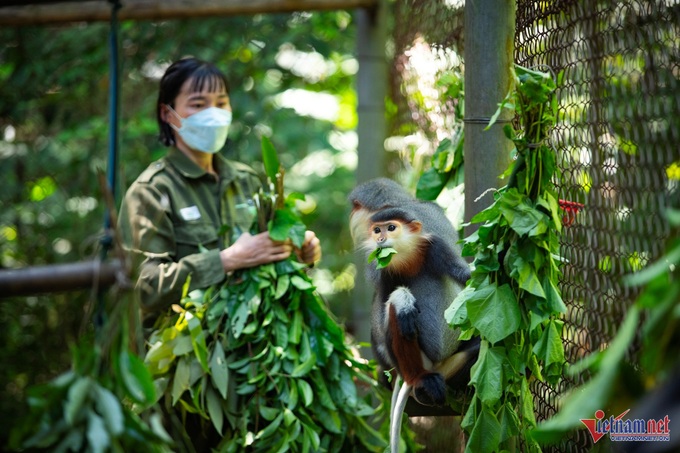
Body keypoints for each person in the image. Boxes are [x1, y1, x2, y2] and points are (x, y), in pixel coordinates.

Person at [118, 57, 321, 320]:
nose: (212, 113)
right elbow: (143, 288)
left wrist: (300, 253)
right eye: (198, 104)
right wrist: (226, 260)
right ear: (167, 113)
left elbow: (272, 265)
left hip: (252, 345)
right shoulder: (152, 192)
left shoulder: (247, 180)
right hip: (183, 350)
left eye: (221, 103)